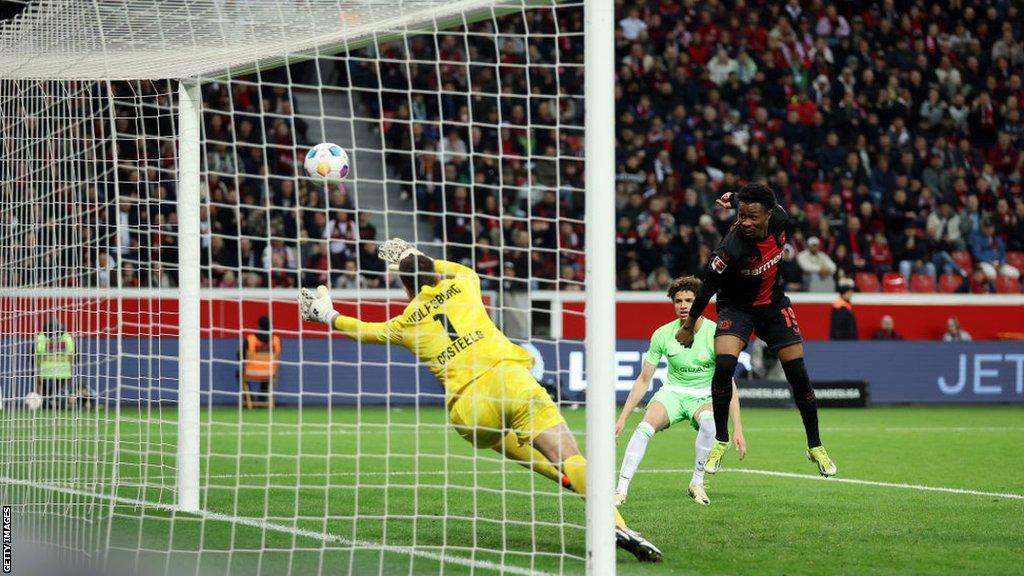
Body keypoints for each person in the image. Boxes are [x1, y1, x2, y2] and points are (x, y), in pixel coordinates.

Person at [300, 239, 662, 562]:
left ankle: (562, 477)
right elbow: (455, 269)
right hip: (511, 382)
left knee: (520, 446)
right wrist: (411, 256)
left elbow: (365, 332)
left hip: (469, 413)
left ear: (405, 287)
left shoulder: (406, 320)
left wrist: (326, 313)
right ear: (435, 273)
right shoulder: (463, 284)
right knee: (571, 457)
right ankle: (613, 523)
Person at [675, 183, 836, 477]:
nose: (745, 223)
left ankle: (816, 446)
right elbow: (708, 285)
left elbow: (755, 200)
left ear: (768, 215)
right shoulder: (731, 247)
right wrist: (689, 325)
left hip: (773, 306)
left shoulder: (781, 219)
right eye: (741, 216)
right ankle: (721, 441)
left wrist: (735, 197)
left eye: (752, 217)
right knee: (724, 366)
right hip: (736, 308)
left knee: (798, 374)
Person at [614, 277, 747, 507]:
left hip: (704, 394)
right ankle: (620, 490)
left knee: (710, 424)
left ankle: (696, 483)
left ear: (700, 303)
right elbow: (644, 379)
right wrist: (622, 418)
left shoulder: (716, 333)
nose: (683, 305)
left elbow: (729, 384)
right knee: (644, 427)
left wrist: (738, 428)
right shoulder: (662, 334)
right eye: (678, 301)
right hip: (672, 393)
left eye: (689, 300)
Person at [34, 318, 78, 409]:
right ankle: (59, 399)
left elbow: (34, 354)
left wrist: (36, 368)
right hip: (64, 371)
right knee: (58, 387)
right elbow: (75, 354)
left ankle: (44, 400)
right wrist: (71, 366)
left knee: (42, 385)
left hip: (44, 371)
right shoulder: (68, 338)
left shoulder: (41, 337)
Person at [241, 316, 280, 408]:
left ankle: (249, 399)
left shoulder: (250, 339)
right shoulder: (276, 340)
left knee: (239, 373)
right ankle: (262, 400)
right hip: (270, 372)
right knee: (266, 376)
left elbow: (241, 356)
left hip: (251, 372)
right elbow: (277, 357)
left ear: (258, 326)